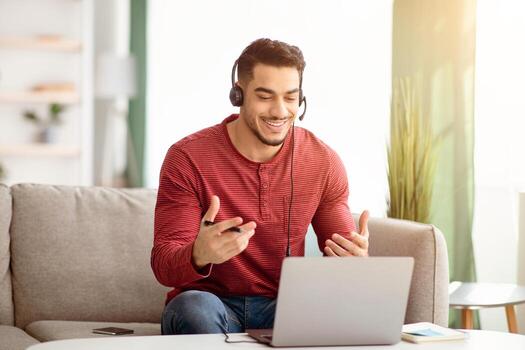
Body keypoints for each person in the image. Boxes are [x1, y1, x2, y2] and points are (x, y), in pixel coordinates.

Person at [151, 38, 370, 336]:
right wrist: (198, 254)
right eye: (265, 97)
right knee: (192, 309)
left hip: (285, 307)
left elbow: (340, 251)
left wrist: (355, 262)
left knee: (341, 311)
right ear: (238, 94)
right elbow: (164, 265)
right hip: (212, 305)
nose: (280, 111)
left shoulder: (323, 161)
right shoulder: (188, 157)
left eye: (291, 97)